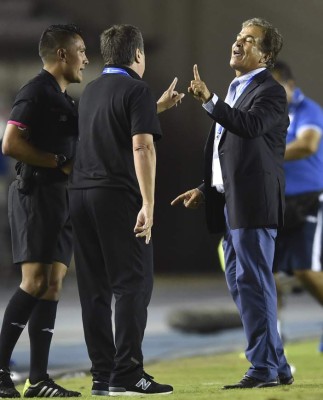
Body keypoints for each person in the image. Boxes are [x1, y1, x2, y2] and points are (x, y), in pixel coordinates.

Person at [171, 17, 293, 389]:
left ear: (266, 55)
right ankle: (277, 364)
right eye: (239, 36)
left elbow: (250, 127)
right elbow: (233, 155)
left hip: (254, 204)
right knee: (244, 286)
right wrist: (207, 190)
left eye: (250, 40)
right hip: (231, 204)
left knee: (253, 284)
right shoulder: (237, 90)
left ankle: (262, 368)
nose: (239, 43)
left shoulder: (269, 92)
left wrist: (210, 101)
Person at [68, 24, 184, 396]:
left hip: (80, 195)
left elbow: (113, 127)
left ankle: (103, 374)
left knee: (95, 290)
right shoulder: (136, 89)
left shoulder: (89, 92)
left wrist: (156, 108)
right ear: (137, 55)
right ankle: (128, 373)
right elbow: (141, 146)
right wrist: (148, 204)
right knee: (133, 284)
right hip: (116, 196)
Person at [0, 24, 89, 398]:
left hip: (59, 198)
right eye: (81, 50)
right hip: (34, 193)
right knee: (34, 282)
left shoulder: (64, 98)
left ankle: (39, 379)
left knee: (52, 285)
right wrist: (56, 162)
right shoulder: (36, 91)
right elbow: (10, 143)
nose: (86, 58)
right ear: (62, 55)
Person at [272, 61, 323, 344]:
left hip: (309, 201)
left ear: (290, 85)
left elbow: (308, 144)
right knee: (265, 271)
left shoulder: (307, 110)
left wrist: (267, 154)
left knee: (306, 270)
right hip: (275, 202)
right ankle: (272, 336)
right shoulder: (266, 113)